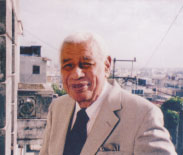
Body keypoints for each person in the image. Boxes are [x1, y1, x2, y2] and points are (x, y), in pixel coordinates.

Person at [40, 32, 177, 155]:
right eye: (68, 66)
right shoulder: (58, 108)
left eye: (86, 64)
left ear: (106, 66)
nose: (76, 74)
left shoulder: (142, 115)